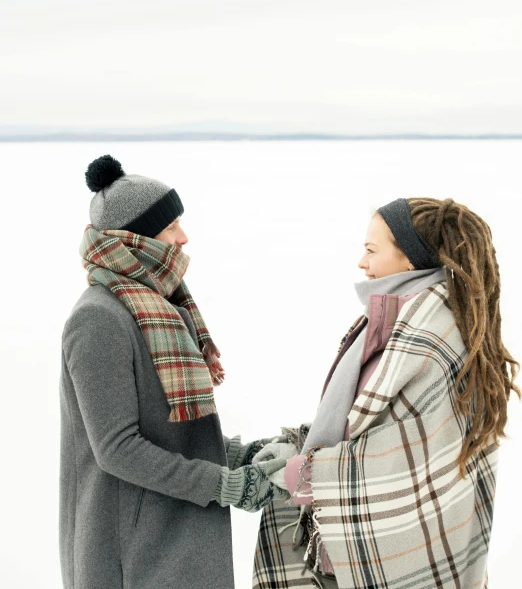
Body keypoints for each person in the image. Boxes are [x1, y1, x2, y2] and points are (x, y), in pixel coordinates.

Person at [252, 197, 520, 589]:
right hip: (347, 549)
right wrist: (296, 446)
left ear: (409, 260)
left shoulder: (430, 335)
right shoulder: (392, 320)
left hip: (396, 555)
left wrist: (301, 473)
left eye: (371, 250)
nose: (361, 262)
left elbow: (409, 461)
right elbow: (359, 424)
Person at [59, 154, 289, 589]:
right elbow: (118, 448)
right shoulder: (98, 319)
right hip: (131, 552)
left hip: (172, 534)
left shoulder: (159, 307)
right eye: (170, 227)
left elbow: (164, 428)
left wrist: (239, 455)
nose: (183, 238)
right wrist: (228, 485)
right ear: (136, 238)